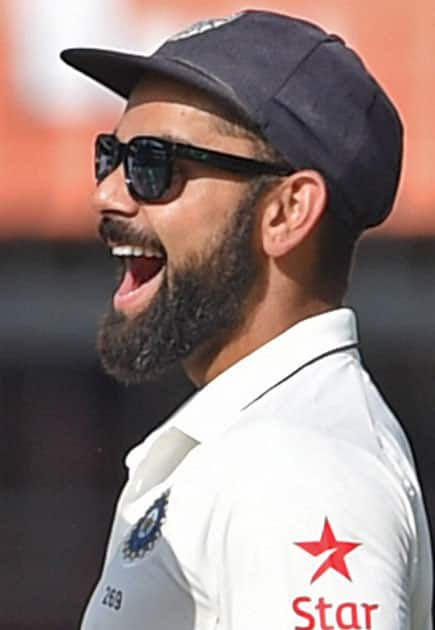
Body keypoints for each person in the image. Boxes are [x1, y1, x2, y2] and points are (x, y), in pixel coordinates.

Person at [61, 10, 433, 630]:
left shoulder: (296, 466)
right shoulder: (265, 442)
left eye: (153, 164)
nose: (108, 193)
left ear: (287, 212)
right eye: (112, 156)